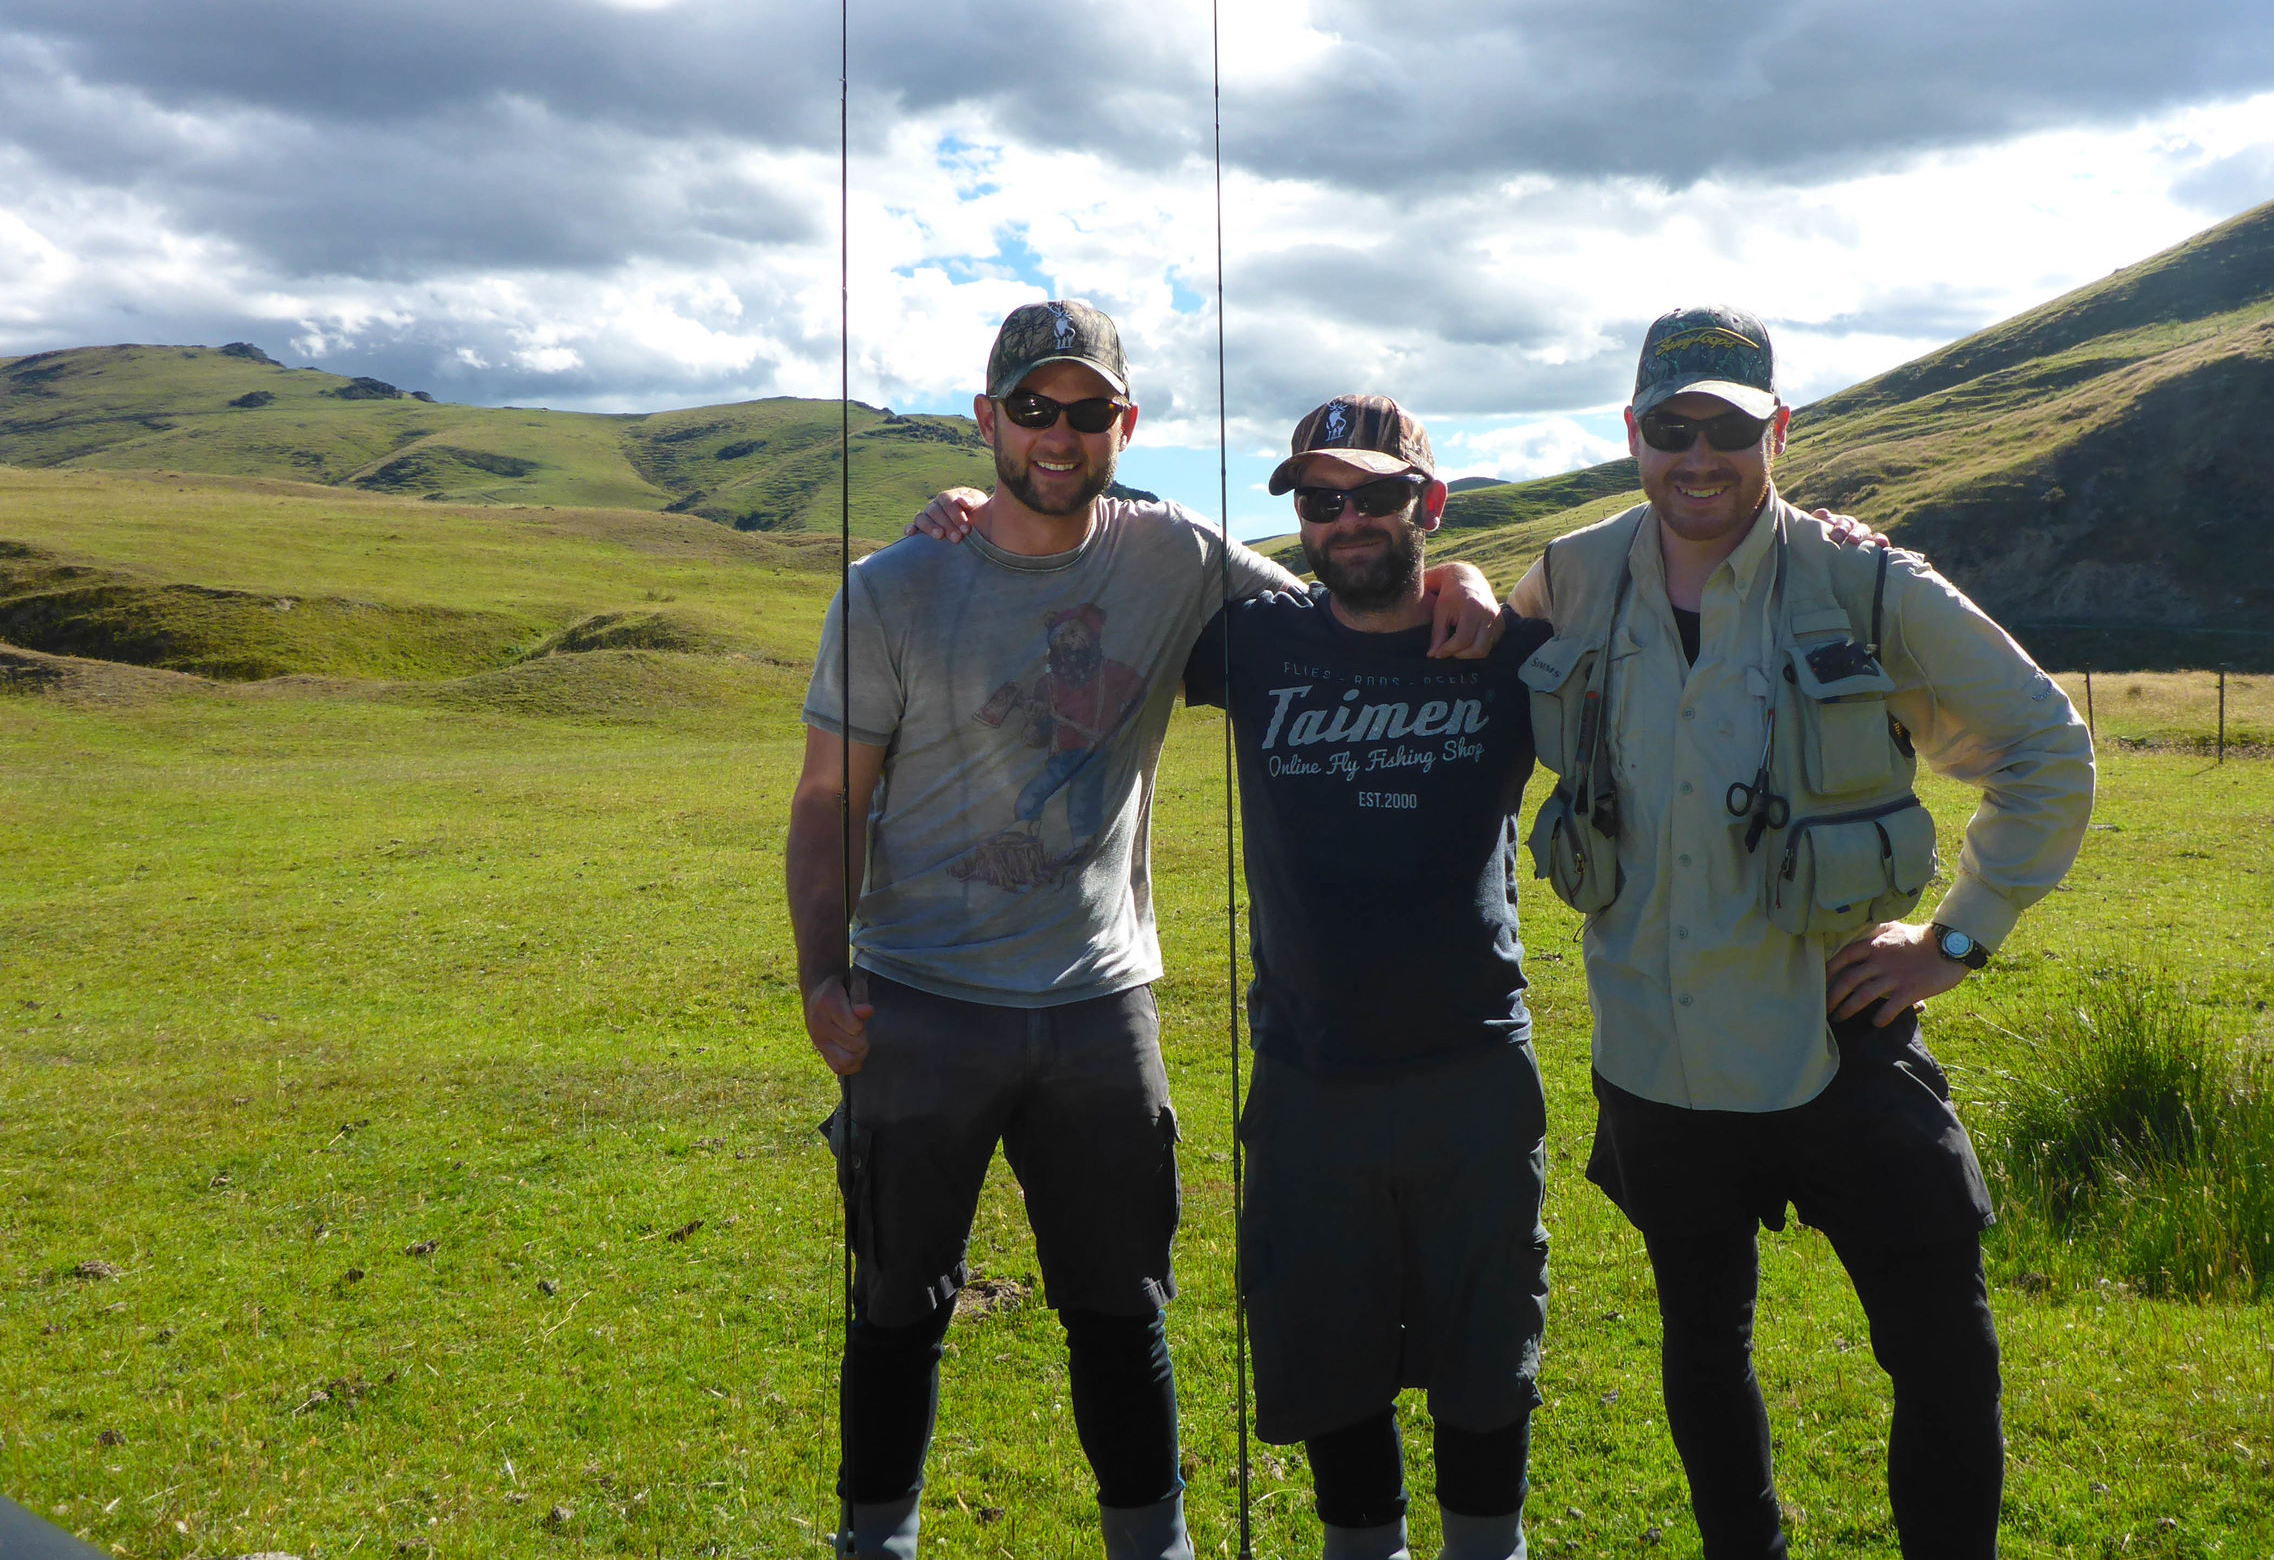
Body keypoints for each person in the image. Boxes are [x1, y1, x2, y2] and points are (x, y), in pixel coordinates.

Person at [787, 301, 1501, 1560]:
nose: (1055, 436)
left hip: (1098, 1001)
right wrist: (818, 970)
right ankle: (875, 1537)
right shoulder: (893, 584)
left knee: (1123, 1305)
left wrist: (1465, 578)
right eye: (1030, 408)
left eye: (1083, 410)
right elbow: (827, 798)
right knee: (895, 1297)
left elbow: (1345, 607)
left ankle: (1151, 1541)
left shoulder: (1173, 550)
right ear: (986, 416)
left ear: (1126, 422)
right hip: (919, 997)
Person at [1509, 306, 2095, 1559]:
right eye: (1674, 427)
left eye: (1729, 425)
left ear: (1778, 429)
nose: (1699, 455)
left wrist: (1955, 938)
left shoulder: (1865, 580)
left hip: (1835, 1030)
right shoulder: (1566, 575)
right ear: (1633, 434)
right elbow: (1473, 669)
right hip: (1654, 1049)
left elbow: (2045, 745)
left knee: (1943, 1345)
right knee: (1701, 1342)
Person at [1178, 396, 1553, 1560]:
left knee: (1487, 1358)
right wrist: (970, 505)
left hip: (1475, 1062)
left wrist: (1489, 585)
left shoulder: (1513, 653)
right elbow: (1094, 543)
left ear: (1426, 505)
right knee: (1328, 1351)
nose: (1345, 520)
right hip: (1307, 1073)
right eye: (1319, 499)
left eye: (1376, 494)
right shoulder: (1253, 636)